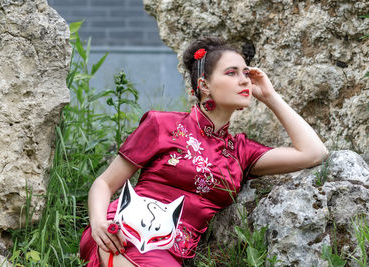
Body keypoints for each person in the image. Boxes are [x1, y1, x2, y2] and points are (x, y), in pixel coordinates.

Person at [79, 37, 329, 267]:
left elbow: (314, 153)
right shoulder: (162, 125)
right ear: (204, 85)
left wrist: (270, 96)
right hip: (123, 232)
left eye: (246, 73)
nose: (244, 80)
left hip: (170, 253)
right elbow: (104, 183)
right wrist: (99, 222)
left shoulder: (242, 152)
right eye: (231, 73)